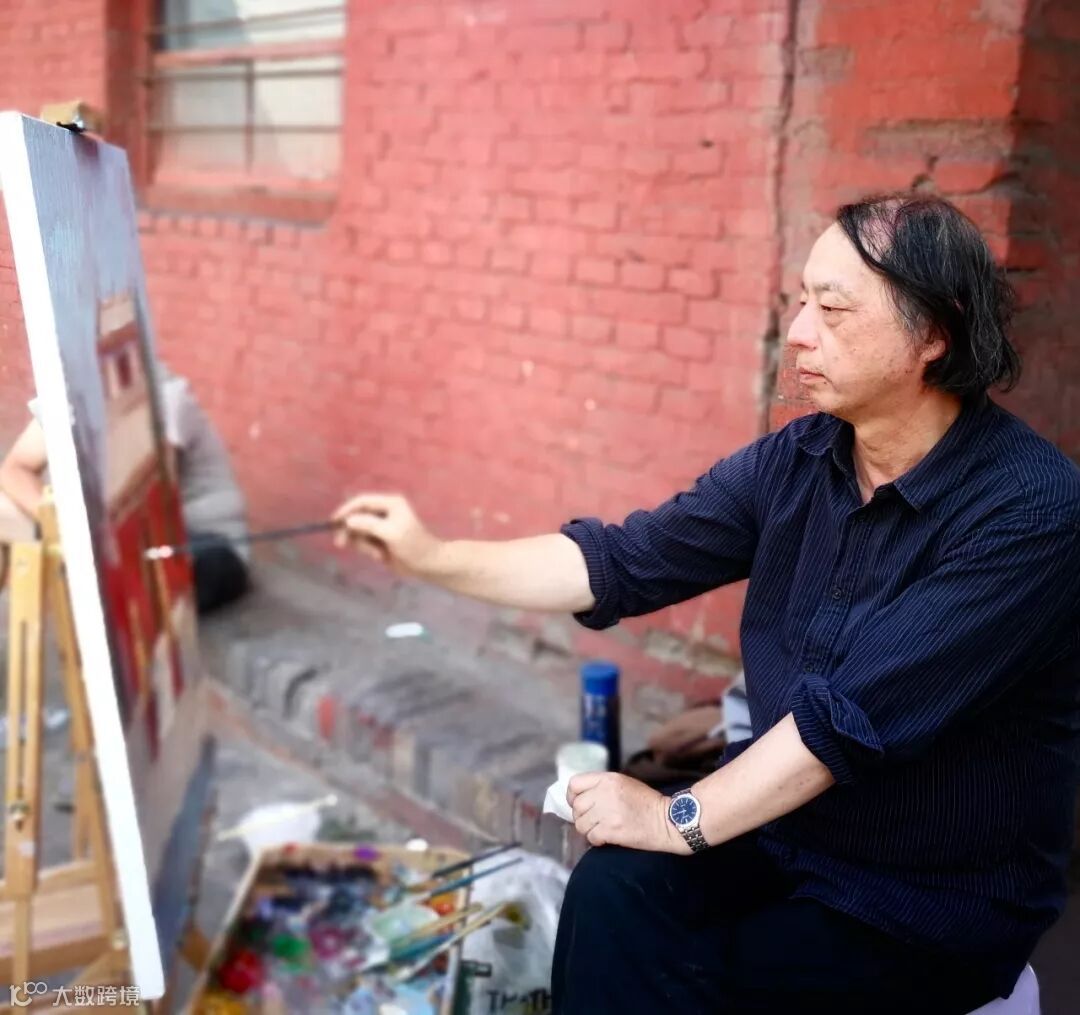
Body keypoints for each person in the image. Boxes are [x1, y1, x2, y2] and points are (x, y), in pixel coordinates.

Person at [332, 193, 1080, 1014]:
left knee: (708, 975)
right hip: (790, 833)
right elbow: (622, 562)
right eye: (802, 301)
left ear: (934, 332)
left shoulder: (1031, 510)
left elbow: (844, 721)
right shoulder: (799, 459)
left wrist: (673, 817)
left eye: (833, 310)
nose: (800, 332)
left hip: (926, 897)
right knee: (615, 889)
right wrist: (432, 557)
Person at [0, 367, 250, 614]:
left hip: (203, 540)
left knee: (130, 577)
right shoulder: (70, 395)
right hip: (124, 539)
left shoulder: (164, 398)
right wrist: (61, 526)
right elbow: (15, 469)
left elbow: (143, 501)